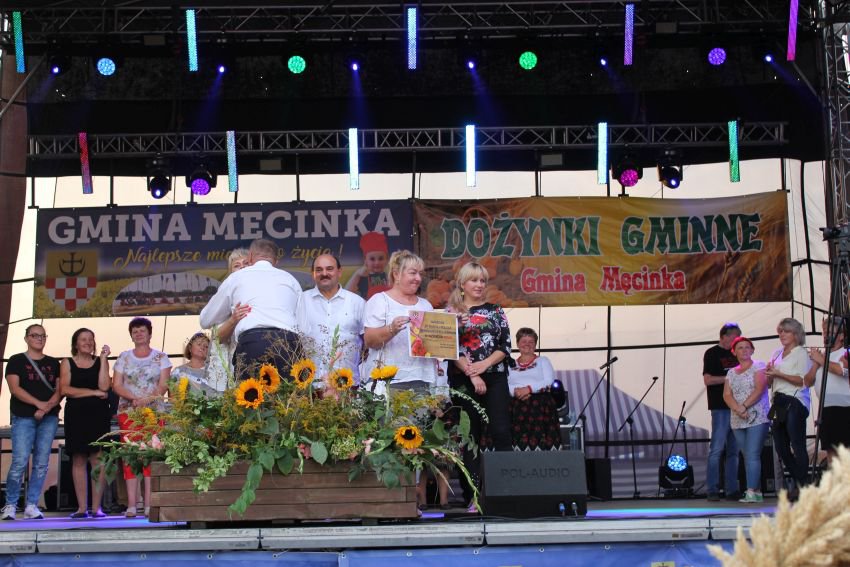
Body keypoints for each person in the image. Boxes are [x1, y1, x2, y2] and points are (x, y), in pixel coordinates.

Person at [447, 261, 512, 511]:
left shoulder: (495, 310)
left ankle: (505, 493)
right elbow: (449, 348)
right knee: (470, 437)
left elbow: (505, 346)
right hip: (464, 380)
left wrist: (483, 366)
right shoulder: (452, 313)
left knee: (501, 432)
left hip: (495, 377)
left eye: (483, 280)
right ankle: (473, 495)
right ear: (462, 284)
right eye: (474, 280)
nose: (479, 285)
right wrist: (472, 373)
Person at [200, 238, 302, 380]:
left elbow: (205, 320)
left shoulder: (236, 277)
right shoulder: (291, 279)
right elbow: (303, 323)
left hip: (253, 343)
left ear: (250, 257)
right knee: (290, 393)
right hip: (289, 344)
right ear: (276, 261)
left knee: (251, 393)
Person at [111, 317, 171, 517]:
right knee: (131, 454)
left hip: (154, 411)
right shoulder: (124, 357)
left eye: (142, 330)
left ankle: (149, 503)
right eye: (135, 331)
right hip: (129, 412)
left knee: (151, 453)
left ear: (150, 334)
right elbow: (116, 385)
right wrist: (134, 398)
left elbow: (163, 385)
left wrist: (147, 399)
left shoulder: (161, 357)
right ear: (131, 335)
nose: (138, 334)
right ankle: (131, 504)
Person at [1, 324, 61, 521]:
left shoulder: (53, 363)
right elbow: (15, 389)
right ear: (26, 338)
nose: (39, 339)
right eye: (35, 335)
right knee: (19, 461)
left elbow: (60, 390)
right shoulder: (16, 360)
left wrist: (46, 408)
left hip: (48, 418)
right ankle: (10, 504)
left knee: (41, 463)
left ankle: (32, 505)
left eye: (43, 336)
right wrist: (38, 404)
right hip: (23, 417)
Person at [362, 250, 438, 393]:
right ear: (396, 274)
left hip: (421, 379)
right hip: (387, 381)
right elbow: (370, 341)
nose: (418, 278)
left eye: (420, 274)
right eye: (413, 273)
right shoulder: (380, 301)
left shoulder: (425, 305)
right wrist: (391, 329)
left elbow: (432, 344)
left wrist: (450, 329)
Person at [59, 328, 112, 518]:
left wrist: (103, 359)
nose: (88, 342)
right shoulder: (67, 362)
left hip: (98, 415)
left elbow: (105, 386)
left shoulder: (100, 362)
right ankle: (82, 508)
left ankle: (97, 508)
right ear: (76, 343)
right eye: (83, 339)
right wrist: (93, 393)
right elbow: (65, 389)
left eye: (91, 339)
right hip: (76, 415)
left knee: (98, 459)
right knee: (79, 459)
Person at [296, 254, 365, 389]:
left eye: (329, 269)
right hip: (309, 386)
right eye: (319, 270)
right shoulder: (300, 301)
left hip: (347, 385)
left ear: (339, 272)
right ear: (313, 273)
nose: (324, 273)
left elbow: (368, 342)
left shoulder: (357, 303)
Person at [766, 317, 813, 498]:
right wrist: (770, 375)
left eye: (786, 331)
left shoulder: (801, 353)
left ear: (796, 334)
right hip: (778, 401)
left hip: (794, 400)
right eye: (780, 331)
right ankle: (802, 483)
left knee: (796, 443)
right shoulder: (777, 353)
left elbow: (802, 381)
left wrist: (779, 373)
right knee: (781, 447)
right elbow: (770, 383)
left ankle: (801, 487)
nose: (782, 334)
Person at [722, 336, 770, 503]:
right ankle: (756, 491)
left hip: (757, 416)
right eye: (740, 348)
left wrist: (744, 406)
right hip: (737, 418)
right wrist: (737, 408)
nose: (744, 350)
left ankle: (750, 490)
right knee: (746, 455)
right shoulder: (731, 372)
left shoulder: (759, 366)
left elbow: (759, 388)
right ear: (734, 352)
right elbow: (726, 395)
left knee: (753, 453)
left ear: (752, 350)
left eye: (747, 347)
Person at [703, 322, 742, 501]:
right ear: (724, 336)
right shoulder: (712, 353)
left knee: (734, 450)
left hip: (738, 407)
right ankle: (712, 489)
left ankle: (732, 489)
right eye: (735, 337)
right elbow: (708, 380)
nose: (737, 340)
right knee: (717, 448)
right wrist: (730, 377)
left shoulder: (738, 353)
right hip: (720, 407)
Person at [508, 327, 562, 451]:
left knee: (542, 443)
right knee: (518, 443)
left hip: (540, 408)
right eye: (524, 341)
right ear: (517, 344)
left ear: (535, 345)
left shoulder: (543, 361)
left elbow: (549, 381)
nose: (527, 344)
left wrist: (528, 389)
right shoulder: (510, 364)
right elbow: (506, 384)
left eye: (531, 341)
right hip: (517, 408)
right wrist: (516, 391)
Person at [806, 316, 850, 462]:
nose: (826, 335)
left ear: (841, 335)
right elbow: (807, 382)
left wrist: (821, 360)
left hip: (844, 408)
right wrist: (815, 364)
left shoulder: (846, 352)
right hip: (826, 408)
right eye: (824, 331)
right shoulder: (821, 357)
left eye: (830, 331)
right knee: (831, 451)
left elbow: (841, 370)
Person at [206, 248, 250, 392]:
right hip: (231, 366)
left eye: (246, 263)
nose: (242, 267)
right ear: (231, 272)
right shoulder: (225, 296)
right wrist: (234, 319)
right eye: (237, 265)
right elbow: (218, 338)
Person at [345, 231, 391, 300]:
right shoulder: (362, 279)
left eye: (381, 259)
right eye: (372, 259)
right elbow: (346, 294)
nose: (377, 263)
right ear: (365, 260)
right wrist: (357, 274)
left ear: (387, 259)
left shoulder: (389, 278)